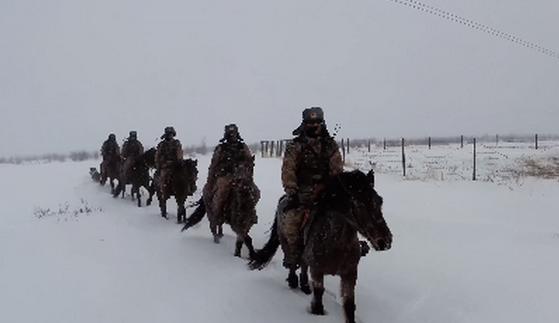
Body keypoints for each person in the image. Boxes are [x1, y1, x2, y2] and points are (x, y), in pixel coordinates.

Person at [280, 107, 344, 268]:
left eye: (317, 122)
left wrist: (335, 188)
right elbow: (288, 170)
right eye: (310, 123)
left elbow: (337, 169)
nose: (314, 126)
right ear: (304, 124)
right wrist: (292, 192)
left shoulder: (330, 145)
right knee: (291, 223)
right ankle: (294, 255)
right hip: (302, 192)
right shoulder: (295, 146)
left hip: (326, 192)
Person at [203, 124, 256, 221]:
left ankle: (249, 214)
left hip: (241, 176)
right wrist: (210, 181)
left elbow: (249, 162)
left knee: (255, 192)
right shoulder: (221, 148)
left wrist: (248, 176)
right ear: (226, 135)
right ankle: (217, 215)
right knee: (221, 193)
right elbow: (214, 165)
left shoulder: (243, 147)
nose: (232, 136)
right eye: (230, 134)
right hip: (225, 176)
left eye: (234, 133)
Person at [155, 126, 183, 193]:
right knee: (163, 176)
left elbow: (179, 153)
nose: (170, 136)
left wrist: (180, 161)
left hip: (176, 164)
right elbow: (157, 155)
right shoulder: (162, 144)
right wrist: (158, 165)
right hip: (165, 164)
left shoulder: (176, 143)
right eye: (168, 134)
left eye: (171, 134)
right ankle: (162, 190)